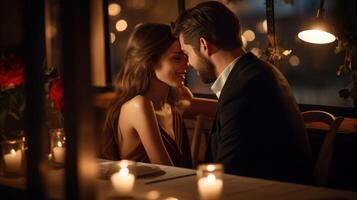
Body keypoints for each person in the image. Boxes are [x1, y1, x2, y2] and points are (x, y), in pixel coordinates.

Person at [172, 1, 312, 183]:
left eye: (187, 53)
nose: (189, 63)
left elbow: (227, 173)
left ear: (204, 45)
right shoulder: (257, 73)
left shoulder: (245, 88)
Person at [101, 23, 192, 168]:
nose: (187, 64)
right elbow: (168, 172)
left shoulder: (172, 106)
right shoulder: (139, 105)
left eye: (186, 57)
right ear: (150, 61)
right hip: (143, 190)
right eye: (177, 58)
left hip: (174, 189)